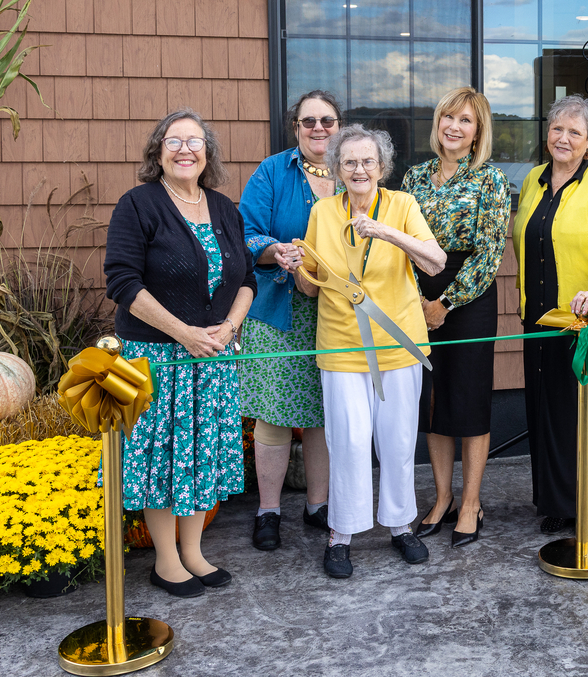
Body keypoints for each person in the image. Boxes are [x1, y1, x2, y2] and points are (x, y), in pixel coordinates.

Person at [104, 109, 256, 598]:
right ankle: (166, 560)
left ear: (207, 152)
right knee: (164, 457)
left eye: (195, 141)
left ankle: (193, 551)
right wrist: (184, 333)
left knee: (201, 455)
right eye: (174, 141)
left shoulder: (224, 207)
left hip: (214, 358)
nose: (185, 149)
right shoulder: (139, 204)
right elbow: (123, 282)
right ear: (158, 152)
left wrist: (229, 328)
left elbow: (248, 279)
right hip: (159, 358)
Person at [289, 124, 446, 578]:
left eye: (368, 161)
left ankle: (400, 525)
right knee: (350, 441)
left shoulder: (403, 205)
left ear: (382, 167)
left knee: (397, 441)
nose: (359, 169)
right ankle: (342, 533)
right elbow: (311, 287)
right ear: (337, 168)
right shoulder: (322, 212)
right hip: (341, 344)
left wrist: (386, 232)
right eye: (350, 162)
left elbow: (434, 262)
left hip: (398, 342)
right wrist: (299, 268)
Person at [513, 94, 588, 537]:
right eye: (557, 129)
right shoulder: (533, 180)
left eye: (574, 132)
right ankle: (557, 501)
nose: (563, 138)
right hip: (541, 320)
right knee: (548, 410)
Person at [400, 87, 510, 548]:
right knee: (433, 400)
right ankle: (442, 498)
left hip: (468, 298)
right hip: (416, 296)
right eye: (448, 117)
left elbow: (489, 254)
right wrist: (418, 301)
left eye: (466, 120)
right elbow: (401, 242)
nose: (454, 127)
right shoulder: (414, 177)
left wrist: (445, 303)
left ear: (477, 131)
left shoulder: (491, 180)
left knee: (468, 400)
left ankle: (471, 503)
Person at [238, 91, 342, 551]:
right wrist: (273, 249)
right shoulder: (272, 171)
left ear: (339, 125)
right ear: (294, 127)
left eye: (327, 120)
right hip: (279, 310)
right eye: (308, 122)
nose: (319, 129)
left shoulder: (354, 168)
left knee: (324, 412)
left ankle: (318, 506)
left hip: (337, 312)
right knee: (275, 416)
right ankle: (269, 510)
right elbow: (245, 232)